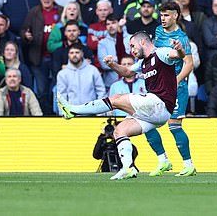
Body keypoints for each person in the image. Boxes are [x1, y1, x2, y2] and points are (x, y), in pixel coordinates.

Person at [57, 31, 186, 180]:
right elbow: (126, 72)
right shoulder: (143, 62)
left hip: (159, 103)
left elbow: (177, 55)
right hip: (157, 114)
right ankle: (128, 168)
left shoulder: (161, 53)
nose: (132, 50)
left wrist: (180, 49)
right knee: (119, 131)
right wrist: (112, 64)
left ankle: (74, 110)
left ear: (142, 42)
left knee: (116, 99)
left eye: (132, 46)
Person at [145, 2, 196, 178]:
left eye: (167, 15)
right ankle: (163, 161)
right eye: (161, 15)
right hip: (157, 87)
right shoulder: (158, 31)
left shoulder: (181, 38)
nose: (163, 18)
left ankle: (188, 165)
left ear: (176, 15)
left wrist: (173, 82)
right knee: (146, 123)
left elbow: (189, 64)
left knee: (174, 126)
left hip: (176, 88)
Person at [56, 43, 106, 115]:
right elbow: (61, 96)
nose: (74, 55)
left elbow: (101, 91)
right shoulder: (62, 74)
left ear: (82, 54)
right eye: (71, 53)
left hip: (91, 113)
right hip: (72, 114)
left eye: (77, 52)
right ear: (68, 55)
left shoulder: (93, 70)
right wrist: (63, 114)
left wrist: (100, 113)